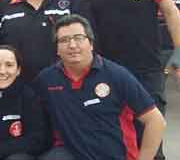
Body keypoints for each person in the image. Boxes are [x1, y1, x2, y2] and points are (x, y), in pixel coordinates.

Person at [71, 0, 180, 160]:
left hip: (146, 69)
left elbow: (170, 11)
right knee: (111, 133)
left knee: (150, 134)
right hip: (104, 70)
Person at [35, 14, 166, 160]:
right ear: (57, 49)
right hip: (71, 153)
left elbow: (155, 121)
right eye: (64, 40)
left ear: (91, 44)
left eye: (78, 38)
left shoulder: (116, 75)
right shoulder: (47, 79)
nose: (72, 45)